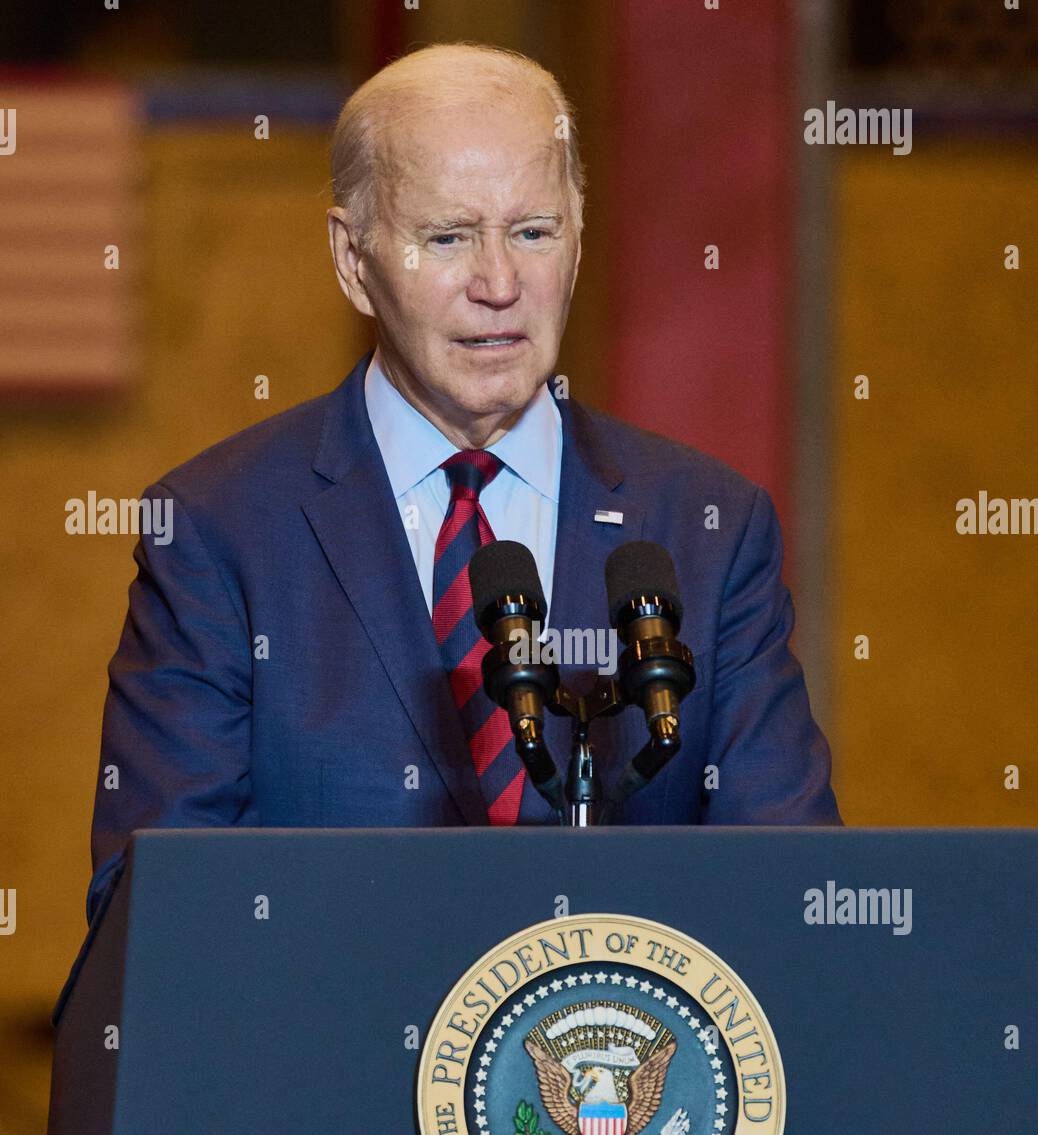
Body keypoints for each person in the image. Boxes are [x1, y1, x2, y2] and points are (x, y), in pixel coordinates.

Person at [87, 41, 840, 928]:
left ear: (579, 234)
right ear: (352, 258)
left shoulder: (709, 531)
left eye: (533, 231)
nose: (499, 284)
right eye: (447, 237)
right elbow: (158, 916)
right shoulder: (220, 535)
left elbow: (796, 900)